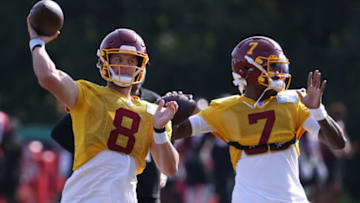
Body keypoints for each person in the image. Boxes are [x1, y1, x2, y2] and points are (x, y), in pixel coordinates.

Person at [172, 36, 347, 202]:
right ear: (248, 71)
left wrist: (318, 111)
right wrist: (172, 113)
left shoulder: (293, 102)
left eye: (279, 67)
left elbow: (338, 143)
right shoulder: (224, 110)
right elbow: (175, 132)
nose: (279, 73)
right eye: (273, 67)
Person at [27, 15, 179, 203]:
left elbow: (169, 169)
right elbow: (48, 76)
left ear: (140, 65)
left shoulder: (153, 111)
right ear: (103, 61)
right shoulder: (88, 94)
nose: (125, 66)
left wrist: (160, 131)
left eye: (131, 61)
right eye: (118, 58)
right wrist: (37, 43)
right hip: (84, 197)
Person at [51, 81, 168, 203]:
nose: (127, 67)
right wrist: (97, 155)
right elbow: (60, 132)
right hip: (100, 183)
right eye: (120, 60)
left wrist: (162, 170)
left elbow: (166, 138)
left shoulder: (153, 101)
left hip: (146, 185)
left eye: (132, 62)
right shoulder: (98, 98)